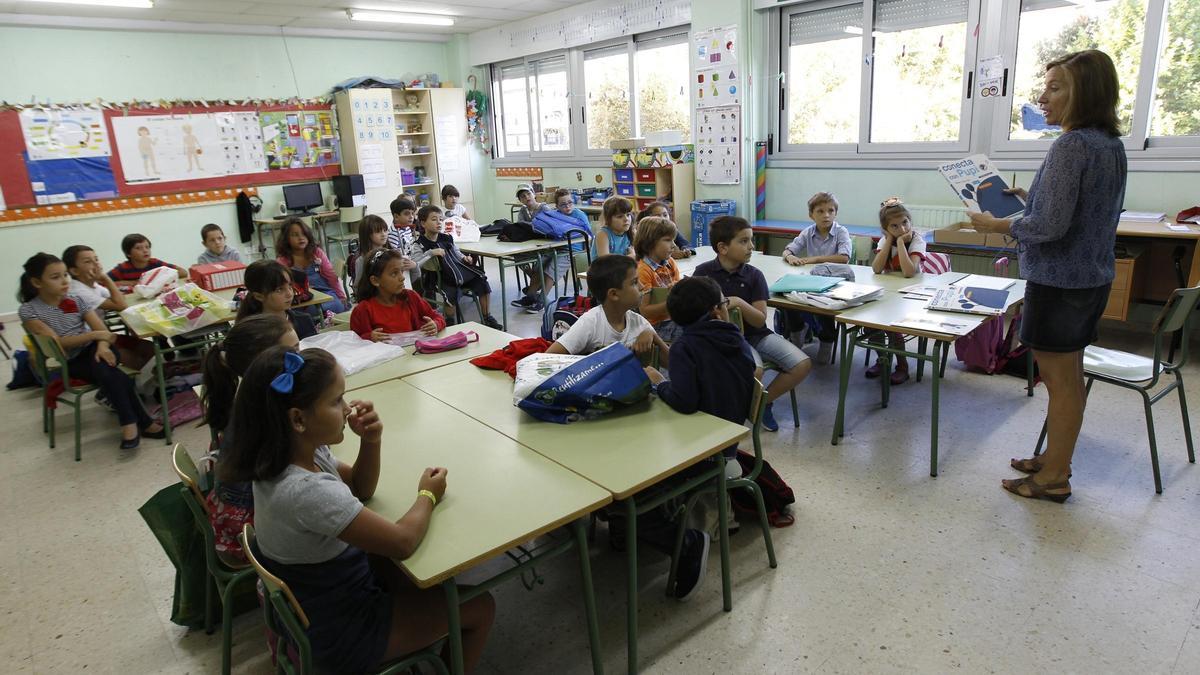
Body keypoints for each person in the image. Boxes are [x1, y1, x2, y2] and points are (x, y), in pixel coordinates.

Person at [219, 346, 494, 672]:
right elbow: (402, 542)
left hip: (317, 605)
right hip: (342, 632)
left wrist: (371, 440)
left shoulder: (285, 457)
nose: (348, 408)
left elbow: (360, 489)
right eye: (337, 401)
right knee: (481, 606)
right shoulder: (306, 490)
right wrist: (427, 495)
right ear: (298, 419)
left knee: (418, 576)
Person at [967, 49, 1128, 503]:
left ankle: (1054, 477)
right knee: (1070, 378)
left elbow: (1049, 227)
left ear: (1086, 94)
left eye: (1056, 88)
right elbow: (1081, 208)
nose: (1042, 98)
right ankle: (1057, 459)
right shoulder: (1109, 144)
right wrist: (1031, 197)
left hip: (1060, 283)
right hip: (1090, 278)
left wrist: (995, 224)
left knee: (1059, 383)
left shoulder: (1072, 145)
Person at [19, 252, 163, 449]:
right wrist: (95, 336)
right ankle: (144, 424)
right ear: (37, 282)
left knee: (105, 364)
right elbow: (58, 343)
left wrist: (101, 344)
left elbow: (103, 331)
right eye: (55, 277)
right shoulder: (29, 310)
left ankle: (130, 426)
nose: (64, 281)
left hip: (97, 348)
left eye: (65, 275)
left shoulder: (76, 299)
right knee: (115, 375)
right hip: (71, 359)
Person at [695, 216, 811, 432]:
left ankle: (761, 403)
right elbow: (697, 315)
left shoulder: (754, 275)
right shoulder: (703, 273)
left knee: (802, 364)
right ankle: (737, 411)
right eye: (743, 241)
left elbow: (759, 319)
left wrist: (739, 302)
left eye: (751, 240)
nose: (751, 246)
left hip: (757, 335)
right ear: (723, 248)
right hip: (726, 338)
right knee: (754, 369)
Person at [200, 313, 300, 562]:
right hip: (250, 538)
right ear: (265, 363)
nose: (302, 360)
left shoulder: (248, 395)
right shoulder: (267, 417)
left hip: (236, 521)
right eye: (293, 353)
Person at [643, 275, 759, 478]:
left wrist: (659, 383)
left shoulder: (684, 347)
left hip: (701, 450)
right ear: (717, 311)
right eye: (724, 303)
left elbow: (684, 403)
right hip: (729, 440)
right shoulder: (737, 338)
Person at [546, 254, 668, 363]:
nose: (642, 286)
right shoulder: (591, 323)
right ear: (614, 294)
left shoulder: (639, 323)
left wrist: (652, 335)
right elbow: (548, 358)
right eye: (634, 282)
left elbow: (670, 362)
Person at [781, 192, 853, 364]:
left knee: (825, 306)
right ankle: (797, 332)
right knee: (787, 299)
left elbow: (844, 258)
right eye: (820, 211)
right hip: (813, 281)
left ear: (836, 213)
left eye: (830, 211)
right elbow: (788, 250)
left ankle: (827, 341)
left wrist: (814, 259)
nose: (826, 215)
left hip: (836, 282)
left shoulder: (841, 232)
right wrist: (790, 256)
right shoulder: (808, 232)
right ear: (811, 215)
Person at [867, 197, 927, 384]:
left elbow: (909, 272)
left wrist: (900, 242)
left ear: (910, 221)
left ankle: (902, 366)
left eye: (905, 222)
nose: (902, 229)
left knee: (893, 328)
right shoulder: (884, 241)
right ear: (885, 229)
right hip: (888, 292)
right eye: (894, 226)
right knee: (870, 324)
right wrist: (888, 241)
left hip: (912, 295)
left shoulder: (917, 240)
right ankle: (882, 359)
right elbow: (876, 269)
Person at [414, 206, 502, 329]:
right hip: (437, 278)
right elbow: (415, 264)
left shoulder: (447, 237)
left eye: (440, 219)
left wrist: (464, 258)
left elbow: (457, 253)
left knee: (481, 280)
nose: (439, 222)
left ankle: (487, 317)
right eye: (434, 219)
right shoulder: (419, 244)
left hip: (457, 272)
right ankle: (449, 322)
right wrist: (431, 253)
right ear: (423, 223)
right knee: (451, 292)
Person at [350, 249, 446, 342]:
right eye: (394, 274)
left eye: (402, 271)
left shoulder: (411, 297)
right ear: (375, 280)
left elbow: (438, 317)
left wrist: (435, 324)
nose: (402, 278)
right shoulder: (363, 310)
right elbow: (354, 341)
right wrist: (369, 337)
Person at [275, 217, 347, 315]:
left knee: (337, 305)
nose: (301, 238)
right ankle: (323, 317)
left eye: (304, 234)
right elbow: (282, 286)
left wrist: (341, 296)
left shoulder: (316, 252)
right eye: (295, 235)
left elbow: (331, 275)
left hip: (324, 291)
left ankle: (326, 316)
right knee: (308, 311)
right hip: (301, 297)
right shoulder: (283, 260)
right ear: (286, 239)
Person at [237, 260, 318, 339]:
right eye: (279, 290)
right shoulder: (249, 332)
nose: (290, 294)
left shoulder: (303, 320)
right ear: (259, 296)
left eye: (290, 286)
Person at [635, 216, 684, 343]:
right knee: (691, 332)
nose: (674, 245)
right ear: (649, 243)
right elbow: (645, 312)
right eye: (668, 240)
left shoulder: (670, 262)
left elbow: (678, 288)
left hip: (674, 318)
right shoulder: (643, 271)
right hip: (656, 326)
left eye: (673, 240)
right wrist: (673, 302)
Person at [63, 244, 126, 313]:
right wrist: (105, 279)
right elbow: (121, 306)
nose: (96, 263)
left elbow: (121, 298)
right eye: (88, 261)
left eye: (96, 259)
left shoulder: (92, 284)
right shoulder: (78, 292)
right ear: (74, 271)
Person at [108, 233, 187, 287]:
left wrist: (156, 278)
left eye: (147, 247)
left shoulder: (155, 263)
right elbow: (102, 282)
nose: (145, 251)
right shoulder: (123, 268)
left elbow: (183, 272)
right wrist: (131, 283)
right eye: (138, 248)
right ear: (128, 253)